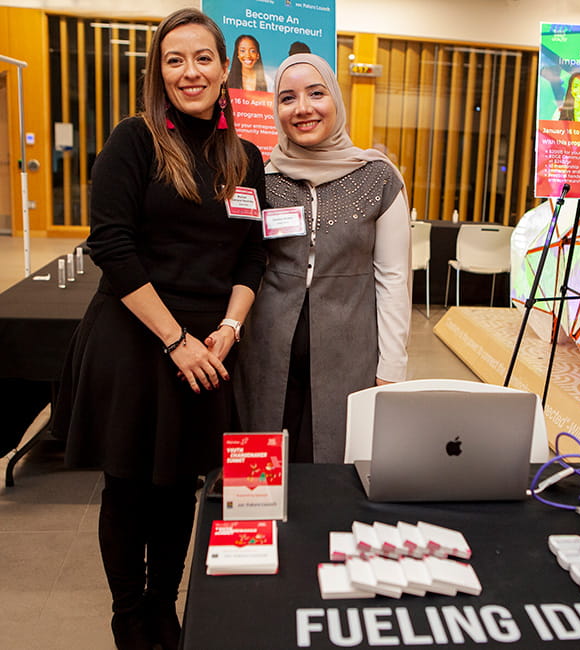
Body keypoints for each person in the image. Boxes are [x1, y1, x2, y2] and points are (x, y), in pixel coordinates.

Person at [55, 8, 266, 649]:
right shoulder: (135, 140)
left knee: (180, 483)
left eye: (202, 57)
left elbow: (252, 255)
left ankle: (161, 608)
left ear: (224, 66)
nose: (189, 71)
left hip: (207, 347)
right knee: (127, 483)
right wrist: (175, 340)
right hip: (137, 338)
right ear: (158, 72)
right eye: (174, 60)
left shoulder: (245, 157)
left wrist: (227, 331)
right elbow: (112, 246)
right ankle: (129, 619)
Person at [235, 53, 410, 463]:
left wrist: (392, 368)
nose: (303, 109)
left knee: (334, 466)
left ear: (335, 98)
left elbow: (393, 279)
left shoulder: (378, 177)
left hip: (349, 352)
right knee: (260, 470)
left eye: (316, 94)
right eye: (288, 98)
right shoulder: (261, 176)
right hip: (266, 352)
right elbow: (242, 262)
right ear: (276, 109)